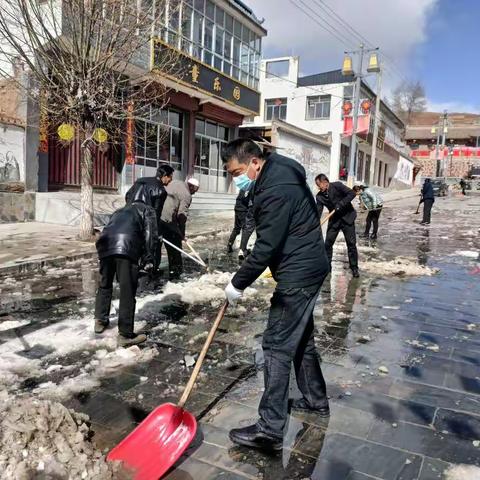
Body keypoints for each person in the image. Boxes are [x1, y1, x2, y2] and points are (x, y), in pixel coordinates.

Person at [222, 139, 330, 451]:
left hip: (298, 273)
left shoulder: (273, 189)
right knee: (301, 341)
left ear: (255, 161)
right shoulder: (282, 169)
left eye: (239, 171)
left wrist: (237, 283)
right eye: (231, 174)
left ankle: (269, 430)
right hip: (310, 264)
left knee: (275, 347)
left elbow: (266, 247)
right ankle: (316, 401)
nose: (236, 179)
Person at [94, 200, 158, 347]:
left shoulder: (119, 211)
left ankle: (100, 320)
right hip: (125, 247)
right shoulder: (147, 209)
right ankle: (125, 334)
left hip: (104, 244)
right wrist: (148, 257)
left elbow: (108, 228)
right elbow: (150, 234)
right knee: (127, 290)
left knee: (105, 283)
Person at [125, 164, 174, 270]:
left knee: (133, 248)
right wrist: (157, 234)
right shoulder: (161, 191)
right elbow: (156, 214)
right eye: (170, 177)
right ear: (164, 176)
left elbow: (128, 196)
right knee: (151, 250)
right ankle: (150, 274)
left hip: (129, 218)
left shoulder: (140, 181)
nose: (171, 180)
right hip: (145, 222)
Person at [315, 174, 359, 278]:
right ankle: (327, 268)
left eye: (319, 184)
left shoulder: (337, 186)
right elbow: (318, 211)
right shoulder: (319, 196)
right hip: (334, 220)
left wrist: (341, 203)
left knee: (351, 244)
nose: (318, 187)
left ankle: (354, 268)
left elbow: (352, 193)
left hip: (347, 217)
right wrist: (314, 224)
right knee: (328, 244)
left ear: (325, 182)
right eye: (317, 185)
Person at [160, 177, 200, 279]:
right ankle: (176, 274)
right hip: (168, 220)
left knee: (157, 247)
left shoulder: (175, 182)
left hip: (157, 217)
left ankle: (153, 273)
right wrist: (181, 233)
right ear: (191, 187)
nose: (194, 193)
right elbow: (181, 216)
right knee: (175, 248)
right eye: (195, 190)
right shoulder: (187, 195)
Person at [227, 188, 255, 259]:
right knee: (246, 229)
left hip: (237, 208)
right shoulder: (251, 186)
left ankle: (229, 245)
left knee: (236, 228)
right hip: (243, 210)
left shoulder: (244, 186)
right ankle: (242, 250)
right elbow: (248, 199)